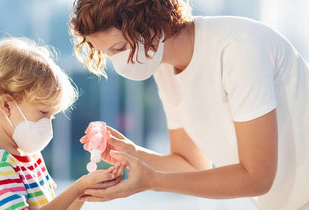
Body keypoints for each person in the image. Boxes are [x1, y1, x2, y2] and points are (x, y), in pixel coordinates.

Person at [69, 0, 309, 209]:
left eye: (119, 48)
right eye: (108, 54)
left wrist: (154, 182)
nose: (118, 63)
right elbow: (191, 165)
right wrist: (133, 154)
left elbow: (257, 178)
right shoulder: (162, 66)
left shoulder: (238, 48)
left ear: (150, 22)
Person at [0, 37, 126, 209]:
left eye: (52, 116)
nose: (47, 124)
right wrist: (78, 188)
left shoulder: (29, 155)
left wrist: (85, 191)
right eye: (43, 112)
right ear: (6, 105)